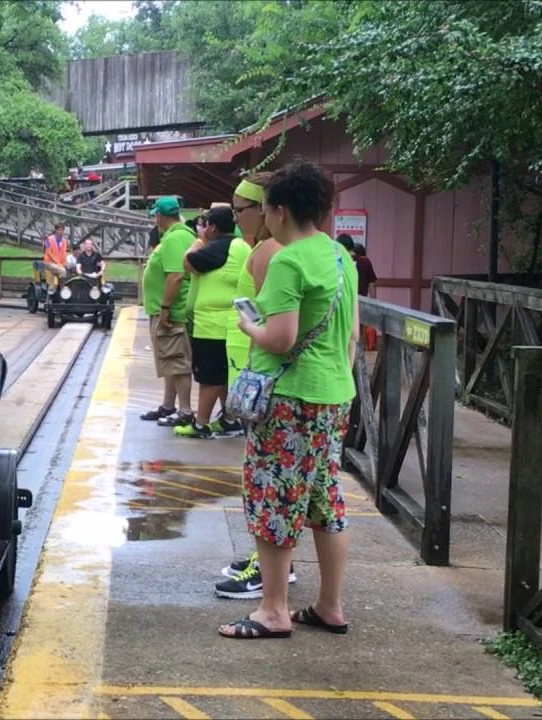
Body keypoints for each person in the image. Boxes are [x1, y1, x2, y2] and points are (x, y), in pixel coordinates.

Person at [218, 158, 359, 640]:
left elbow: (280, 339)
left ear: (278, 211)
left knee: (273, 496)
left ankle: (273, 610)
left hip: (291, 400)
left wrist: (248, 325)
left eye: (264, 208)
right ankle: (329, 606)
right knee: (324, 498)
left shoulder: (288, 260)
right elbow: (352, 335)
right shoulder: (339, 257)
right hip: (334, 395)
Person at [214, 173, 291, 598]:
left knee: (268, 476)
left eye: (240, 209)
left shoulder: (271, 252)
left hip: (260, 366)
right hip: (249, 360)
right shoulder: (264, 248)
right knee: (265, 474)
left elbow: (275, 319)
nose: (236, 217)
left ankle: (273, 565)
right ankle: (268, 558)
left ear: (264, 210)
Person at [175, 205, 246, 439]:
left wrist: (199, 240)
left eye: (205, 225)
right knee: (224, 375)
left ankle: (201, 424)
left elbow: (188, 261)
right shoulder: (240, 246)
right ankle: (229, 420)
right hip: (230, 324)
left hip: (213, 326)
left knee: (210, 378)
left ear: (213, 227)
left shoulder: (219, 247)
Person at [139, 196, 195, 428]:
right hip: (166, 309)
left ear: (160, 216)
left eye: (156, 215)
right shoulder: (178, 236)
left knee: (177, 361)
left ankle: (185, 410)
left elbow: (176, 276)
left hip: (172, 312)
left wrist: (165, 307)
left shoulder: (175, 238)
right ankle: (168, 405)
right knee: (169, 360)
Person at [43, 223, 69, 288]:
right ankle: (62, 289)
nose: (61, 232)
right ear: (56, 230)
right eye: (59, 230)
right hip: (49, 262)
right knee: (62, 271)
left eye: (62, 230)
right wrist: (57, 262)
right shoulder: (48, 239)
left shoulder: (64, 241)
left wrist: (64, 263)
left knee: (68, 268)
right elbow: (49, 252)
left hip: (59, 263)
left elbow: (64, 253)